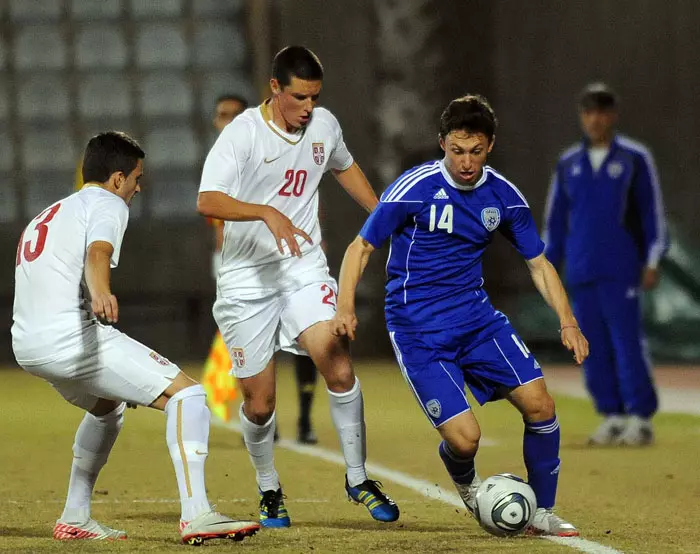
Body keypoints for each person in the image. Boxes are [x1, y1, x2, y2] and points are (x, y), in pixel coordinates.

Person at [331, 95, 589, 537]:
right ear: (442, 144)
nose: (465, 162)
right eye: (456, 150)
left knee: (540, 403)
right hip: (418, 329)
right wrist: (345, 305)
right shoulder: (414, 187)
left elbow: (539, 265)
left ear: (490, 146)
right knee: (465, 439)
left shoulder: (504, 198)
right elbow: (362, 246)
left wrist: (568, 321)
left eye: (475, 151)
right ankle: (466, 481)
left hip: (476, 320)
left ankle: (543, 509)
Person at [12, 132, 259, 545]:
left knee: (107, 408)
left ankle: (75, 516)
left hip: (27, 344)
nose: (138, 188)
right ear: (116, 179)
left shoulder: (50, 212)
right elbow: (97, 253)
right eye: (136, 178)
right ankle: (197, 514)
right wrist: (101, 291)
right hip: (68, 339)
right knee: (189, 396)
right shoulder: (107, 204)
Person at [196, 46, 399, 528]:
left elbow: (343, 165)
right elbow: (207, 199)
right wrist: (266, 211)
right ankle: (269, 488)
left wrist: (382, 214)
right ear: (274, 90)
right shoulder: (242, 135)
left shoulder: (324, 126)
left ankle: (357, 476)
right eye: (299, 97)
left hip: (302, 268)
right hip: (246, 280)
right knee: (259, 402)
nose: (308, 107)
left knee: (336, 360)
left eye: (314, 97)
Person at [544, 83, 668, 446]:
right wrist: (548, 267)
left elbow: (651, 212)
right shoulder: (569, 164)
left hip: (621, 268)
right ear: (582, 117)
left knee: (627, 344)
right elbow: (555, 222)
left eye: (602, 111)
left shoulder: (633, 158)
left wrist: (652, 258)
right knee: (591, 345)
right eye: (589, 111)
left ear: (612, 115)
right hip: (582, 270)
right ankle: (612, 415)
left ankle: (640, 417)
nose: (595, 119)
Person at [206, 93, 319, 444]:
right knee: (251, 339)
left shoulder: (270, 149)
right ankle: (263, 417)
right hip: (237, 261)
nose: (227, 121)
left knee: (305, 331)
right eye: (222, 114)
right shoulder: (221, 157)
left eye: (234, 115)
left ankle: (304, 417)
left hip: (282, 255)